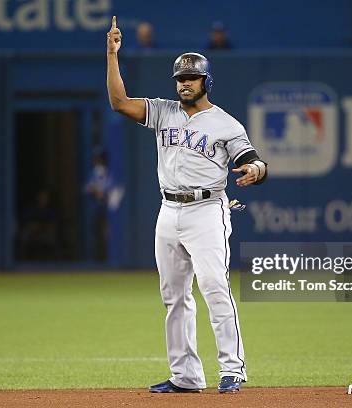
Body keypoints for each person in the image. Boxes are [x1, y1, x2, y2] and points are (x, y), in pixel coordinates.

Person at [106, 16, 267, 393]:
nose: (184, 83)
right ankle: (186, 376)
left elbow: (252, 158)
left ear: (205, 82)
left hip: (207, 210)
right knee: (173, 297)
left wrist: (256, 170)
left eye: (191, 78)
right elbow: (118, 102)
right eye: (180, 78)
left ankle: (232, 369)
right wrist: (112, 56)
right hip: (169, 211)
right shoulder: (163, 111)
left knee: (214, 287)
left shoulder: (225, 123)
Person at [19, 189, 59, 260]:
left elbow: (53, 224)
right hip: (32, 233)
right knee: (24, 234)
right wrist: (35, 227)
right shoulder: (32, 209)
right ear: (37, 198)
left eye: (45, 198)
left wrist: (42, 226)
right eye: (41, 197)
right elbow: (27, 222)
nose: (43, 199)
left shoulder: (50, 210)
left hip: (45, 233)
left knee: (52, 235)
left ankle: (56, 260)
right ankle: (22, 258)